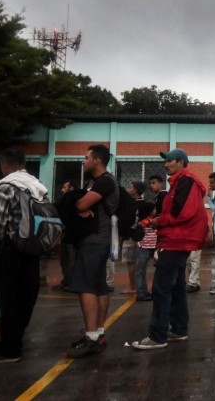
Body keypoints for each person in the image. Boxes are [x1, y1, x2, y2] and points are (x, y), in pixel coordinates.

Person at [0, 147, 49, 364]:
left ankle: (9, 348)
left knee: (7, 300)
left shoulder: (3, 188)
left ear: (4, 165)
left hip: (7, 252)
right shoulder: (37, 188)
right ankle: (15, 339)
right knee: (26, 297)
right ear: (24, 164)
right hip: (31, 251)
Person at [131, 149, 208, 350]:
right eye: (165, 161)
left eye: (170, 161)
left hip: (177, 240)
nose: (166, 165)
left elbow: (181, 213)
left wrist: (159, 221)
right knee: (176, 287)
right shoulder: (179, 183)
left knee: (161, 287)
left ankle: (158, 335)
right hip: (178, 239)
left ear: (182, 162)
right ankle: (179, 329)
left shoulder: (186, 182)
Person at [66, 144, 118, 358]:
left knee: (86, 286)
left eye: (86, 157)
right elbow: (82, 205)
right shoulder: (95, 183)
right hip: (99, 240)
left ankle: (92, 337)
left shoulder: (105, 181)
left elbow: (79, 204)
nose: (83, 160)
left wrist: (77, 205)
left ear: (97, 160)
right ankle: (98, 333)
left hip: (96, 240)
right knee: (98, 286)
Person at [58, 180, 79, 292]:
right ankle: (66, 280)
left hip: (72, 235)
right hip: (65, 234)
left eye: (65, 187)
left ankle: (72, 282)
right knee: (63, 259)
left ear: (71, 189)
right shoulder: (64, 201)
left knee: (72, 259)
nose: (62, 190)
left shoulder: (76, 201)